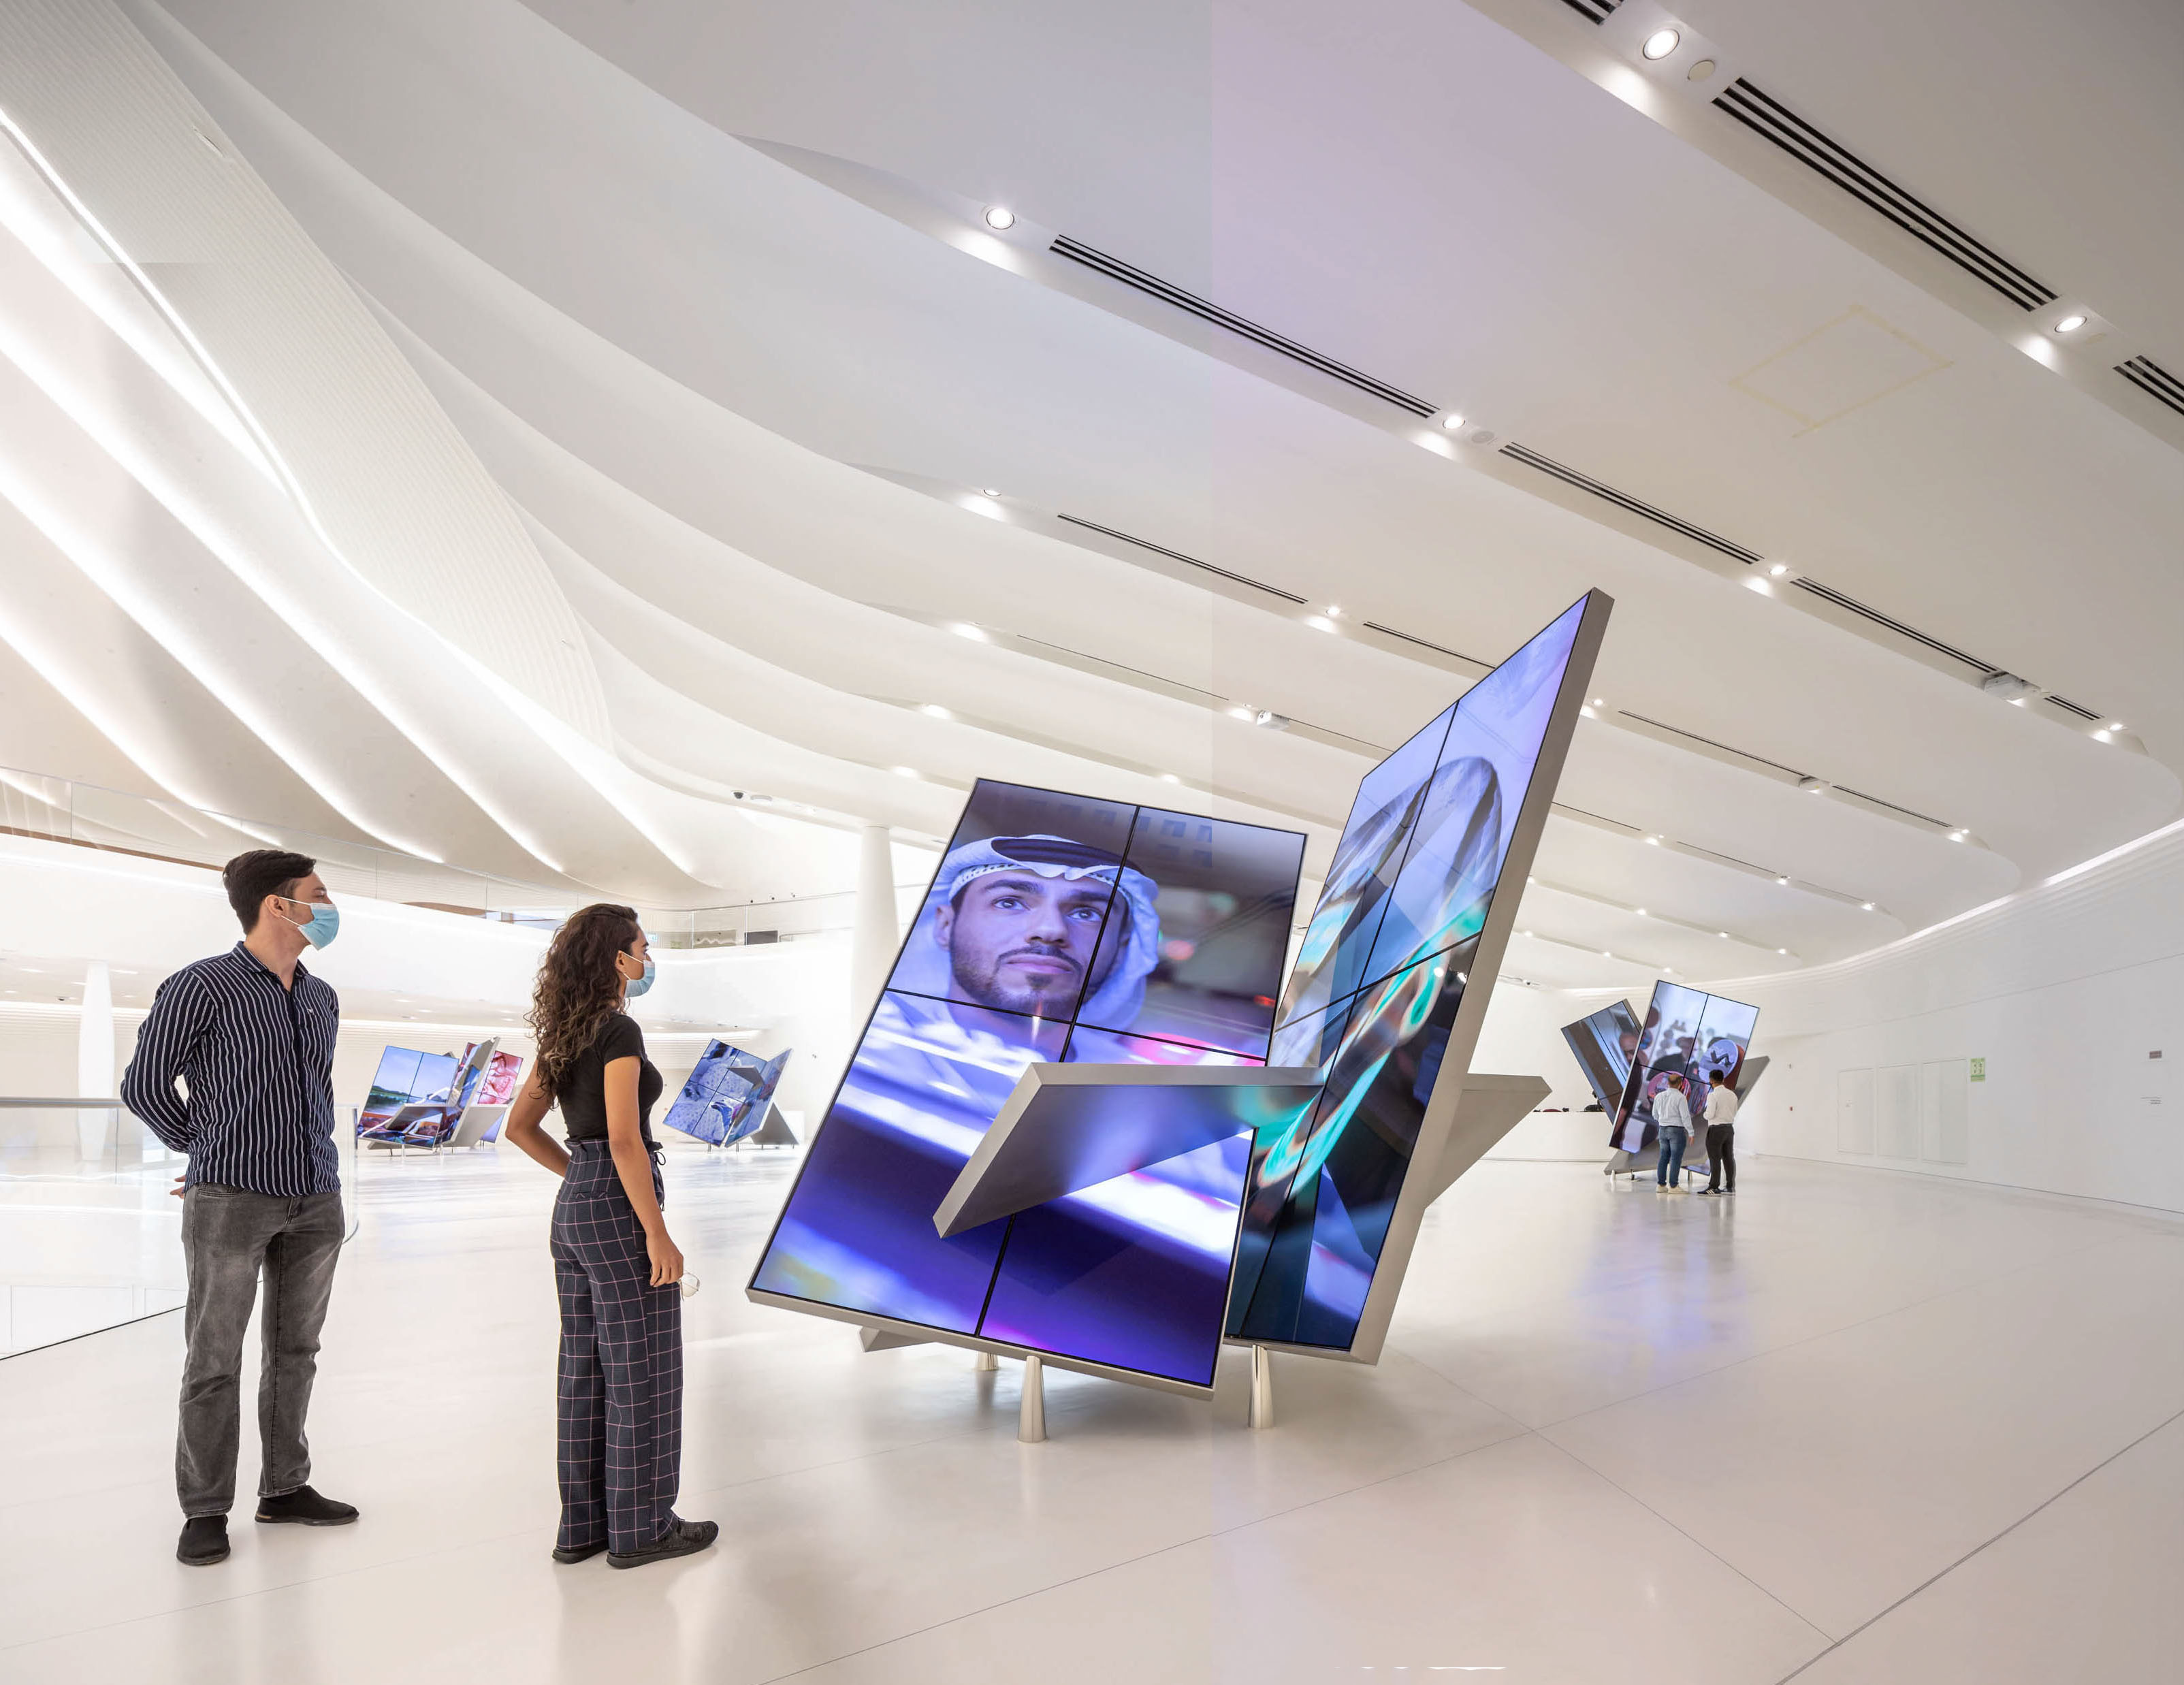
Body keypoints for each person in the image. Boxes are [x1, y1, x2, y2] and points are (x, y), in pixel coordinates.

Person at [121, 849, 356, 1568]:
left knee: (296, 1353)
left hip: (316, 1196)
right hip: (234, 1199)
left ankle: (284, 1487)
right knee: (213, 1358)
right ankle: (204, 1509)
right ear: (277, 905)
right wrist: (207, 1150)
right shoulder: (202, 986)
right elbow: (145, 1086)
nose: (330, 905)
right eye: (318, 894)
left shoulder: (321, 996)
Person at [502, 905, 716, 1569]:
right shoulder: (618, 1029)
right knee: (642, 1369)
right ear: (617, 959)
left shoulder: (564, 1031)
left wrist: (582, 1178)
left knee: (585, 1369)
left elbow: (520, 1126)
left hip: (574, 1210)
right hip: (618, 1206)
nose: (647, 962)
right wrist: (656, 1231)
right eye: (642, 950)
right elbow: (624, 1138)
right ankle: (642, 1527)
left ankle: (586, 1527)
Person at [1697, 1071, 1740, 1195]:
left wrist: (1705, 1115)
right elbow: (1735, 1111)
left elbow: (1709, 1114)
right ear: (1723, 1079)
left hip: (1716, 1130)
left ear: (1711, 1080)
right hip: (1729, 1129)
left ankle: (1714, 1187)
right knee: (1728, 1158)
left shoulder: (1712, 1095)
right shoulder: (1732, 1095)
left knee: (1715, 1158)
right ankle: (1730, 1186)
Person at [1652, 1072, 1694, 1191]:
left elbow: (1654, 1114)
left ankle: (1661, 1185)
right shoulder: (1681, 1097)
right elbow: (1685, 1117)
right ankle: (1674, 1186)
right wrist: (1691, 1132)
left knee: (1663, 1157)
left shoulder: (1659, 1096)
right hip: (1676, 1131)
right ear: (1680, 1084)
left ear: (1668, 1083)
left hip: (1663, 1130)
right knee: (1676, 1158)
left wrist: (1663, 1120)